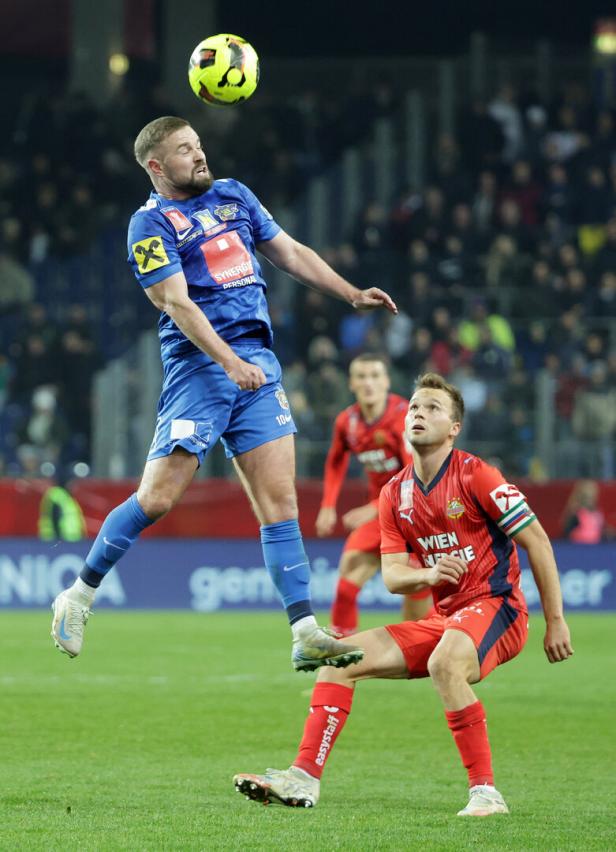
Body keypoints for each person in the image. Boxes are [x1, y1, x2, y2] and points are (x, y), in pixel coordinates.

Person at [50, 116, 397, 670]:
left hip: (257, 365)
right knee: (159, 498)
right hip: (201, 366)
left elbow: (290, 250)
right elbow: (176, 303)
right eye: (185, 150)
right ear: (157, 167)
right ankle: (79, 594)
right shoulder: (150, 224)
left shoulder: (234, 196)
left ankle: (304, 631)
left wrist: (349, 292)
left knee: (279, 504)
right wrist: (228, 361)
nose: (200, 155)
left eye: (199, 144)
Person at [234, 372, 573, 815]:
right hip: (446, 619)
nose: (419, 413)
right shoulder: (395, 493)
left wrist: (556, 620)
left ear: (454, 428)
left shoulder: (479, 475)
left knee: (444, 663)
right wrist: (429, 575)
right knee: (337, 659)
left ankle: (486, 793)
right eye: (414, 406)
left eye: (433, 408)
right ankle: (303, 778)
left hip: (498, 608)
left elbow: (538, 541)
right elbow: (393, 576)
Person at [315, 353, 432, 634]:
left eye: (375, 376)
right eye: (361, 376)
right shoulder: (347, 422)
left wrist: (372, 507)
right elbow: (335, 459)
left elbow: (414, 477)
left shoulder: (404, 418)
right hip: (383, 513)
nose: (368, 383)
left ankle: (425, 643)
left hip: (417, 513)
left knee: (415, 600)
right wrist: (328, 505)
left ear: (387, 382)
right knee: (348, 573)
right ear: (351, 383)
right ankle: (342, 654)